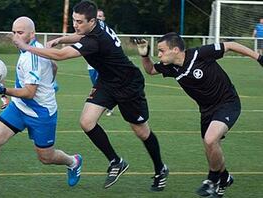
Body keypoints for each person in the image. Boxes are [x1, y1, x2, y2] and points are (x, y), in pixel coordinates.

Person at [13, 0, 168, 191]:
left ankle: (161, 169)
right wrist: (61, 39)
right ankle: (116, 162)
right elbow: (78, 35)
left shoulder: (94, 41)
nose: (75, 25)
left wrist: (27, 47)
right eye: (74, 20)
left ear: (92, 21)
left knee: (141, 131)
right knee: (87, 122)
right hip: (107, 81)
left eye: (79, 22)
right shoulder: (94, 27)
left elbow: (60, 56)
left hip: (128, 84)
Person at [135, 32, 263, 197]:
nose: (159, 54)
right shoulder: (170, 66)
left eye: (161, 50)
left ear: (175, 49)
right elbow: (151, 70)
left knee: (211, 140)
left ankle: (212, 179)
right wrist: (144, 55)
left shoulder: (200, 54)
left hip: (227, 103)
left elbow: (230, 46)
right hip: (206, 110)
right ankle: (224, 178)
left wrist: (258, 58)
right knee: (211, 149)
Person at [0, 16, 83, 196]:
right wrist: (51, 82)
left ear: (32, 34)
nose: (15, 37)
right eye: (13, 32)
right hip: (20, 107)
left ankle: (73, 161)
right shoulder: (33, 48)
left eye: (20, 33)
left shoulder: (31, 57)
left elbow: (29, 93)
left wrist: (2, 90)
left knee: (46, 157)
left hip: (41, 112)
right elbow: (53, 66)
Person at [87, 9, 114, 116]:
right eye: (97, 16)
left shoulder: (104, 32)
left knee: (101, 86)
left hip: (102, 66)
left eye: (101, 16)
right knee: (95, 84)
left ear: (104, 18)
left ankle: (109, 106)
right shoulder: (89, 31)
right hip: (91, 66)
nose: (99, 18)